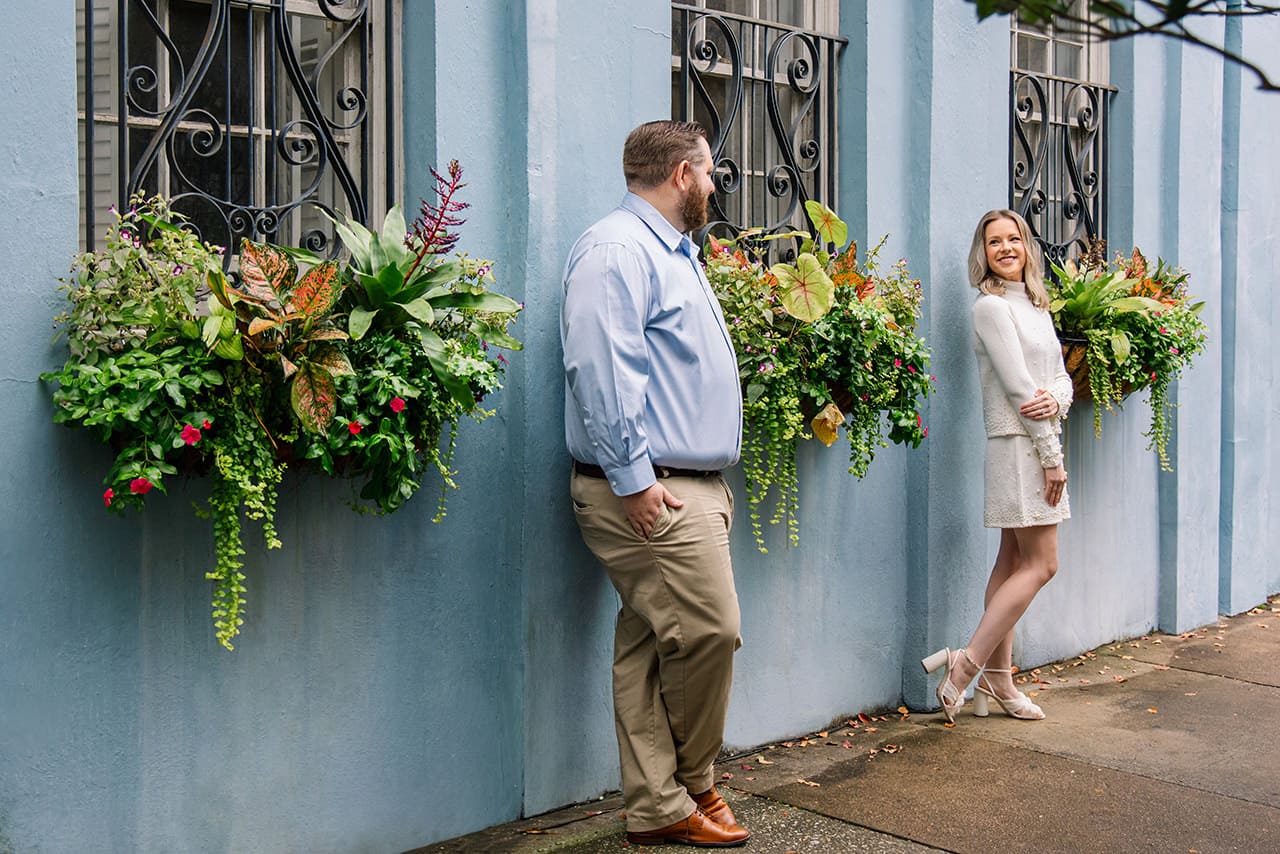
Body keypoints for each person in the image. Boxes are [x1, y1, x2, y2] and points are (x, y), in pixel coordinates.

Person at [560, 120, 750, 847]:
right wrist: (635, 481)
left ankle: (656, 808)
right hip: (649, 491)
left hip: (686, 486)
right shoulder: (618, 250)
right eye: (708, 173)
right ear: (680, 175)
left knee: (647, 647)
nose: (714, 184)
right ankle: (695, 781)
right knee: (710, 632)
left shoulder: (675, 252)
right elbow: (600, 372)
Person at [922, 209, 1072, 723]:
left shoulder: (1034, 304)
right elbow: (1018, 389)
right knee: (1042, 564)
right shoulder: (990, 308)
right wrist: (1051, 459)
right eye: (993, 242)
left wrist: (1056, 399)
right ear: (982, 253)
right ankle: (966, 665)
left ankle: (1000, 688)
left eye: (1013, 239)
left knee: (1011, 562)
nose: (1005, 248)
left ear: (1027, 246)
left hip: (1037, 438)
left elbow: (1061, 380)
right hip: (1018, 447)